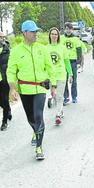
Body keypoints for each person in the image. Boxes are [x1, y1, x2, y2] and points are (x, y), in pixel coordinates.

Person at [7, 20, 56, 160]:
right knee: (31, 118)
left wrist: (53, 86)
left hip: (40, 87)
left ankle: (39, 147)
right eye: (33, 31)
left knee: (38, 115)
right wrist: (12, 88)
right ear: (24, 33)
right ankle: (35, 131)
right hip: (25, 89)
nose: (36, 34)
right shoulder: (16, 51)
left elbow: (50, 67)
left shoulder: (42, 48)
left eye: (36, 31)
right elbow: (11, 71)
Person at [46, 27, 73, 125]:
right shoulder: (46, 48)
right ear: (49, 35)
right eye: (52, 34)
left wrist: (70, 74)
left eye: (55, 34)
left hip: (61, 74)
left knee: (60, 96)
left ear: (58, 36)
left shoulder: (62, 47)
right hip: (50, 76)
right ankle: (60, 110)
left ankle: (58, 115)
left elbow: (67, 62)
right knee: (54, 95)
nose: (54, 36)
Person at [61, 22, 85, 105]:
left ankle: (74, 97)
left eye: (70, 29)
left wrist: (79, 63)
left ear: (72, 30)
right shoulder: (61, 38)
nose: (68, 30)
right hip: (64, 62)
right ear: (64, 29)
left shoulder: (76, 39)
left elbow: (79, 51)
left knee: (74, 81)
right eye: (66, 29)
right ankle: (66, 97)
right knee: (64, 80)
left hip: (73, 62)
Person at [0, 31, 12, 131]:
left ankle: (4, 122)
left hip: (4, 79)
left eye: (2, 37)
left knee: (4, 99)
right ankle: (8, 109)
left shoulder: (6, 49)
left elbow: (11, 65)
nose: (1, 39)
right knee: (2, 102)